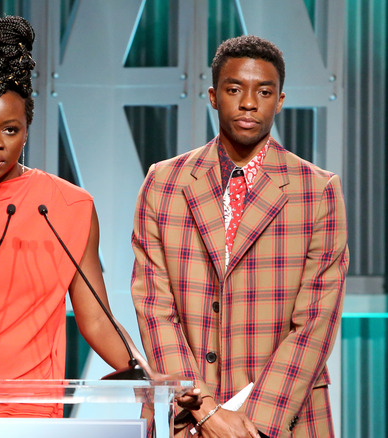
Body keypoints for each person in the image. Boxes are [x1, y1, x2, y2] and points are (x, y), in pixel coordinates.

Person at [0, 15, 199, 438]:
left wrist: (144, 374)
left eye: (10, 129)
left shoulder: (69, 206)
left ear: (26, 131)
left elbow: (97, 319)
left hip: (36, 412)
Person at [131, 35, 348, 438]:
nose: (249, 102)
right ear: (213, 96)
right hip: (190, 415)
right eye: (234, 89)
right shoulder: (164, 182)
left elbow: (317, 319)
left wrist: (252, 425)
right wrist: (207, 411)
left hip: (285, 415)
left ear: (280, 100)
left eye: (264, 91)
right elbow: (154, 306)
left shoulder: (316, 190)